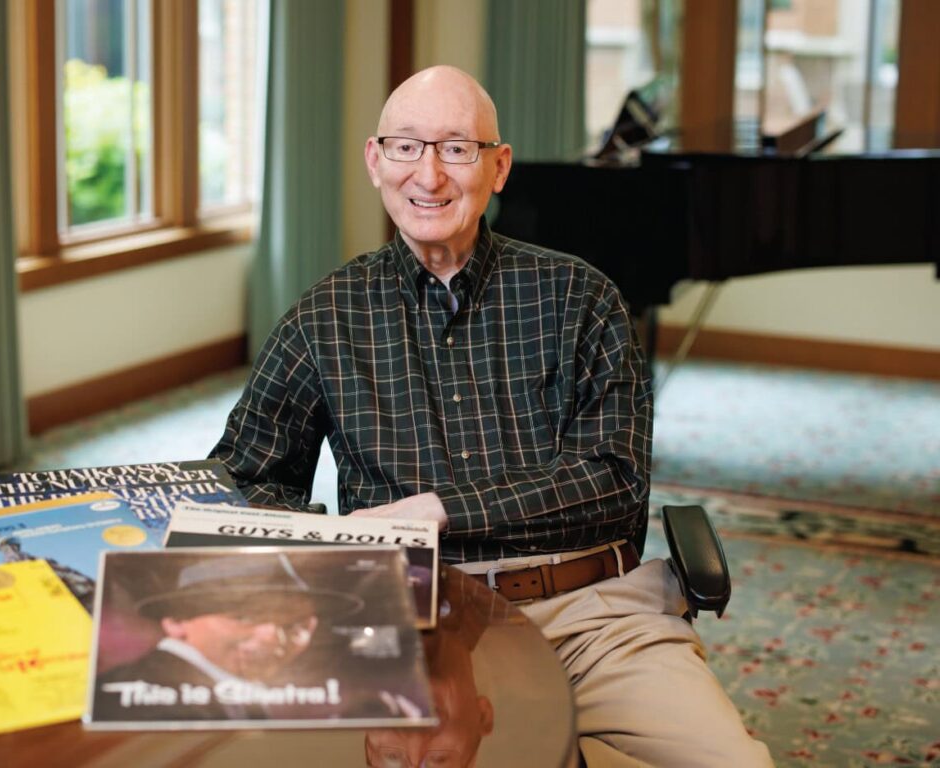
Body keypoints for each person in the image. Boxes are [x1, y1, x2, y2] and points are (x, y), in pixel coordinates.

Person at [212, 65, 773, 766]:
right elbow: (242, 480)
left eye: (457, 149)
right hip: (415, 622)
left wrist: (441, 511)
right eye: (407, 147)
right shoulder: (324, 317)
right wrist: (335, 550)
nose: (429, 175)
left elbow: (614, 479)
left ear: (498, 167)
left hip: (591, 613)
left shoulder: (580, 298)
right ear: (375, 161)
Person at [92, 553, 363, 722]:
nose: (272, 637)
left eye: (294, 625)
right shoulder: (138, 702)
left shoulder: (242, 695)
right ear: (176, 621)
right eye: (244, 617)